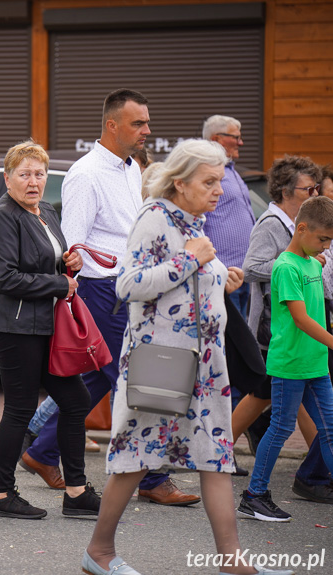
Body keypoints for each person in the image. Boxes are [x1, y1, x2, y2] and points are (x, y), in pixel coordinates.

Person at [84, 139, 294, 575]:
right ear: (180, 182)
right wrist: (188, 261)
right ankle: (99, 552)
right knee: (137, 458)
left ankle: (233, 561)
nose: (220, 190)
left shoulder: (193, 220)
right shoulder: (155, 216)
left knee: (215, 456)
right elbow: (129, 285)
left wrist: (222, 279)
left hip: (206, 366)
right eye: (210, 181)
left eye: (220, 180)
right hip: (164, 361)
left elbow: (193, 278)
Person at [28, 89, 200, 506]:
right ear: (112, 125)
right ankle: (154, 478)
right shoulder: (86, 174)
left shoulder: (131, 167)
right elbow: (74, 244)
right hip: (102, 291)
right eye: (138, 123)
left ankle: (41, 451)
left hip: (131, 289)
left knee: (95, 378)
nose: (147, 130)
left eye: (146, 121)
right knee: (137, 383)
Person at [0, 140, 98, 520]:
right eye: (24, 174)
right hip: (13, 326)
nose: (33, 181)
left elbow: (50, 263)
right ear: (8, 177)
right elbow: (5, 278)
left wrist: (69, 264)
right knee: (20, 408)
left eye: (39, 174)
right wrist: (60, 285)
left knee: (75, 401)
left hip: (45, 324)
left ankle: (76, 492)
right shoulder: (2, 216)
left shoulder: (45, 210)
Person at [238, 196, 333, 524]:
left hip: (315, 362)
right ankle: (254, 494)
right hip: (291, 363)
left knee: (330, 429)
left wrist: (317, 261)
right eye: (323, 239)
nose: (326, 246)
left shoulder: (311, 262)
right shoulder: (285, 266)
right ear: (302, 228)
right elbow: (301, 318)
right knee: (279, 428)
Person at [202, 115, 256, 318]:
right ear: (216, 138)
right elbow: (199, 222)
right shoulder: (206, 173)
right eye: (236, 137)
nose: (240, 142)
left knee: (240, 339)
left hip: (242, 274)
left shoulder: (231, 171)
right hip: (223, 273)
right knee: (229, 340)